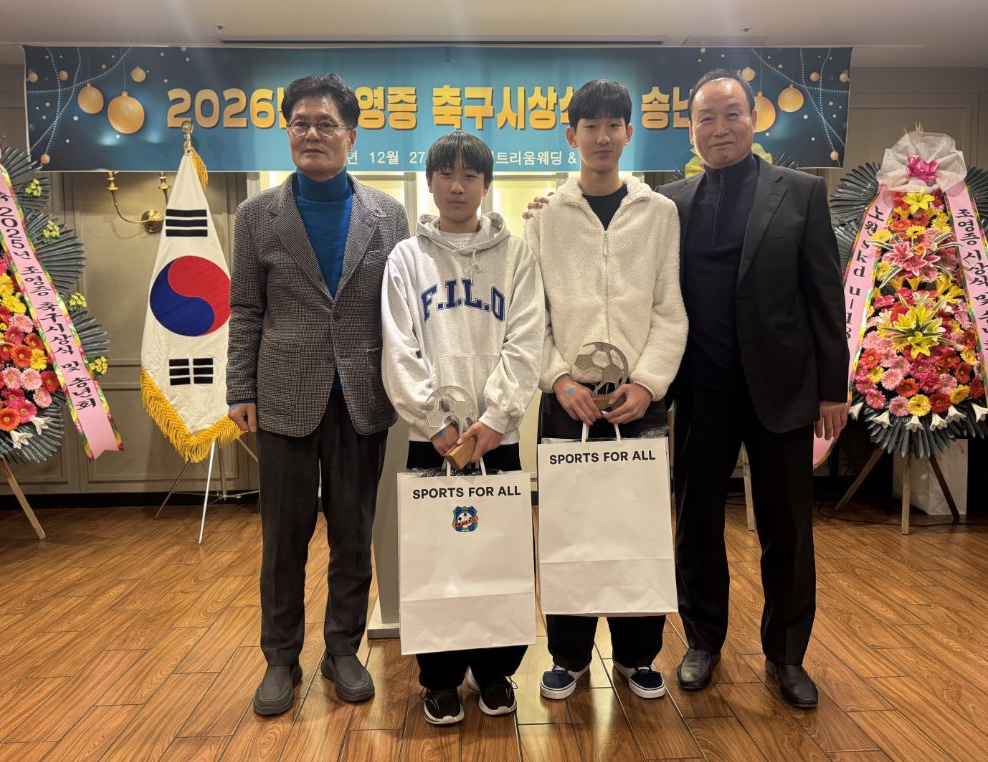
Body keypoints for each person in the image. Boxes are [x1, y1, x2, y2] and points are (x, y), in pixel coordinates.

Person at [655, 69, 847, 709]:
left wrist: (833, 388)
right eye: (705, 118)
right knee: (697, 525)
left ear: (753, 119)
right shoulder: (670, 202)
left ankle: (787, 655)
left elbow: (825, 296)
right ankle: (702, 641)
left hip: (783, 390)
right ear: (691, 130)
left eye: (731, 114)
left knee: (788, 529)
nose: (719, 128)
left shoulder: (800, 193)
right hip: (701, 389)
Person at [226, 73, 410, 716]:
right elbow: (246, 308)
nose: (312, 133)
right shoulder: (256, 216)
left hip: (362, 396)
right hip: (282, 396)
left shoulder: (387, 214)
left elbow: (402, 308)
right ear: (287, 132)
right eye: (300, 122)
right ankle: (280, 658)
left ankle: (342, 650)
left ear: (351, 137)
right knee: (284, 538)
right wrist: (239, 387)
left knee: (354, 533)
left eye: (326, 123)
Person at [525, 79, 687, 701]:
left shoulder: (659, 213)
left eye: (612, 124)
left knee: (636, 525)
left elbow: (670, 310)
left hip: (638, 402)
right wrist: (559, 379)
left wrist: (647, 384)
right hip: (567, 401)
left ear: (627, 133)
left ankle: (638, 655)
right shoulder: (547, 216)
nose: (601, 136)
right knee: (568, 526)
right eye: (589, 126)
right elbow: (531, 316)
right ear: (572, 135)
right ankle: (568, 656)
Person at [381, 130, 544, 726]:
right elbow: (399, 349)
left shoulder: (517, 255)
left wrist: (495, 418)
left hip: (497, 440)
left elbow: (526, 341)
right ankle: (441, 678)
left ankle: (496, 671)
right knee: (437, 559)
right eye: (446, 174)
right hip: (433, 442)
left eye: (469, 175)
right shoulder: (406, 258)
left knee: (498, 555)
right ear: (429, 183)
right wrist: (436, 422)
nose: (457, 186)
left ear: (485, 184)